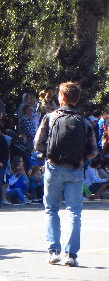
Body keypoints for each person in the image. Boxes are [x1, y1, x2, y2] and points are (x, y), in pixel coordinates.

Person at [34, 81, 98, 267]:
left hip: (53, 167)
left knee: (51, 209)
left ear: (62, 97)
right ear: (77, 100)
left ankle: (53, 251)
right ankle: (71, 254)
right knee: (74, 212)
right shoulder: (84, 121)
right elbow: (93, 150)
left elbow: (38, 143)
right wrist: (80, 157)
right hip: (75, 169)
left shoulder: (51, 117)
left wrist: (46, 153)